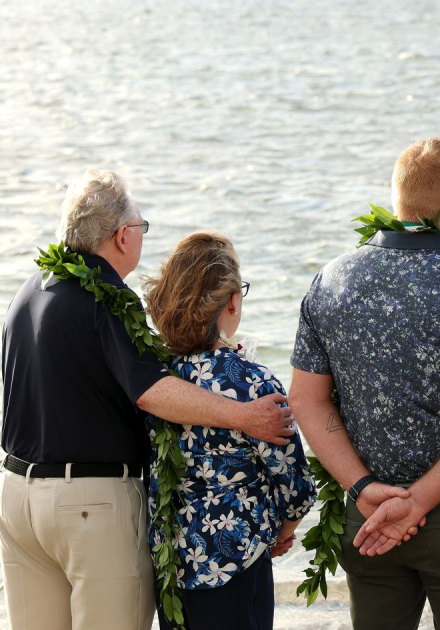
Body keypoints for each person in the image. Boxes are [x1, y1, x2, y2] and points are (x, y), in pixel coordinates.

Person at [0, 171, 296, 630]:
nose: (141, 236)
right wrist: (243, 416)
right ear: (121, 236)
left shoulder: (30, 290)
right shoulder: (108, 300)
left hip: (16, 497)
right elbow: (153, 391)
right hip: (86, 506)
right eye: (142, 228)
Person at [289, 138, 440, 630]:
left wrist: (364, 486)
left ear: (398, 201)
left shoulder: (331, 281)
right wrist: (418, 502)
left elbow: (307, 400)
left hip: (368, 515)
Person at [142, 231, 317, 630]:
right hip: (237, 563)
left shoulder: (152, 381)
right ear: (232, 302)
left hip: (172, 568)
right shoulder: (252, 384)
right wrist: (282, 534)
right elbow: (297, 487)